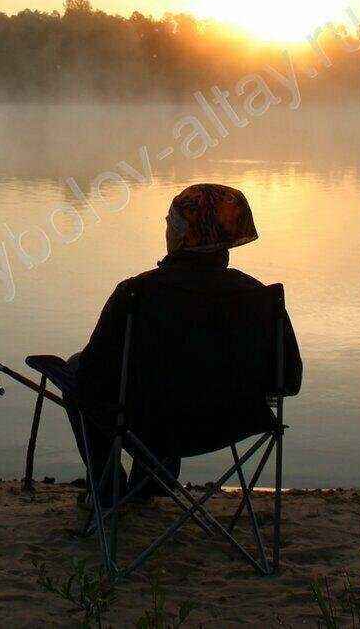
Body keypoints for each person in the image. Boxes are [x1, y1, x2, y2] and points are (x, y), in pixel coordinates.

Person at [57, 183, 302, 502]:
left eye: (171, 223)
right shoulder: (260, 297)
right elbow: (289, 380)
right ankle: (152, 482)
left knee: (79, 370)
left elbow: (92, 376)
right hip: (233, 422)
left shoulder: (136, 294)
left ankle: (108, 487)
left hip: (149, 423)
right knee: (169, 385)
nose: (167, 230)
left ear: (182, 234)